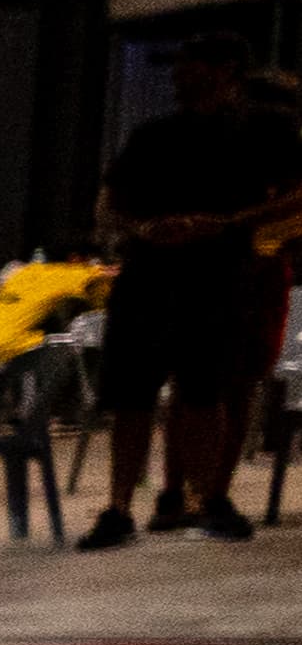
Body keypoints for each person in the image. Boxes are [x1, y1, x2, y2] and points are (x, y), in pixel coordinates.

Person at [81, 29, 301, 547]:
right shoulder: (152, 134)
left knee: (207, 388)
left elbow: (296, 196)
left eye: (191, 63)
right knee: (134, 394)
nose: (178, 73)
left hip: (220, 273)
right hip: (147, 275)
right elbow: (109, 203)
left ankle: (208, 497)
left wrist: (224, 223)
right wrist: (142, 230)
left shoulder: (264, 128)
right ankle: (120, 505)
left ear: (225, 69)